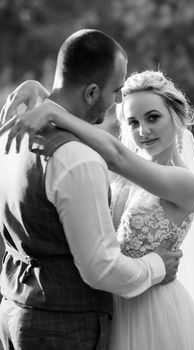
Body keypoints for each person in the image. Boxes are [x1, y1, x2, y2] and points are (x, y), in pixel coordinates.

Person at [2, 70, 194, 349]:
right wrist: (38, 90)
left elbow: (116, 156)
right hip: (111, 298)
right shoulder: (126, 174)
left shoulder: (185, 182)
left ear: (177, 117)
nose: (143, 131)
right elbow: (100, 144)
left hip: (152, 310)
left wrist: (52, 109)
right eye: (133, 122)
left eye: (153, 117)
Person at [0, 30, 183, 350]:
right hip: (63, 328)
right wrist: (157, 266)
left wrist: (42, 95)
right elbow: (101, 268)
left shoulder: (14, 130)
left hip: (15, 310)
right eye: (115, 91)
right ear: (91, 92)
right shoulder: (78, 159)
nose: (116, 102)